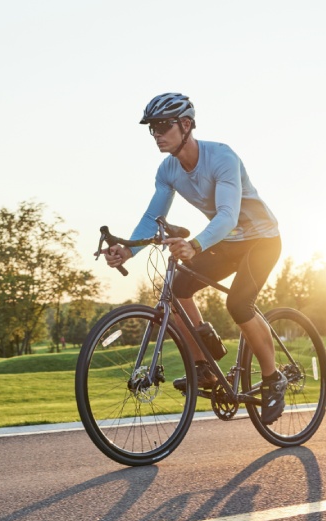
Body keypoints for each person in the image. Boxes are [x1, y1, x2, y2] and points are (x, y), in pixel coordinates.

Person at [102, 92, 287, 424]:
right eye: (152, 129)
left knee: (239, 305)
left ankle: (274, 380)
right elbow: (151, 218)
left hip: (261, 239)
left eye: (162, 126)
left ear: (185, 125)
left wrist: (196, 245)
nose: (157, 134)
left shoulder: (221, 157)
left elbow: (229, 215)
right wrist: (127, 250)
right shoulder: (168, 170)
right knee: (177, 287)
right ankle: (206, 367)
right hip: (228, 242)